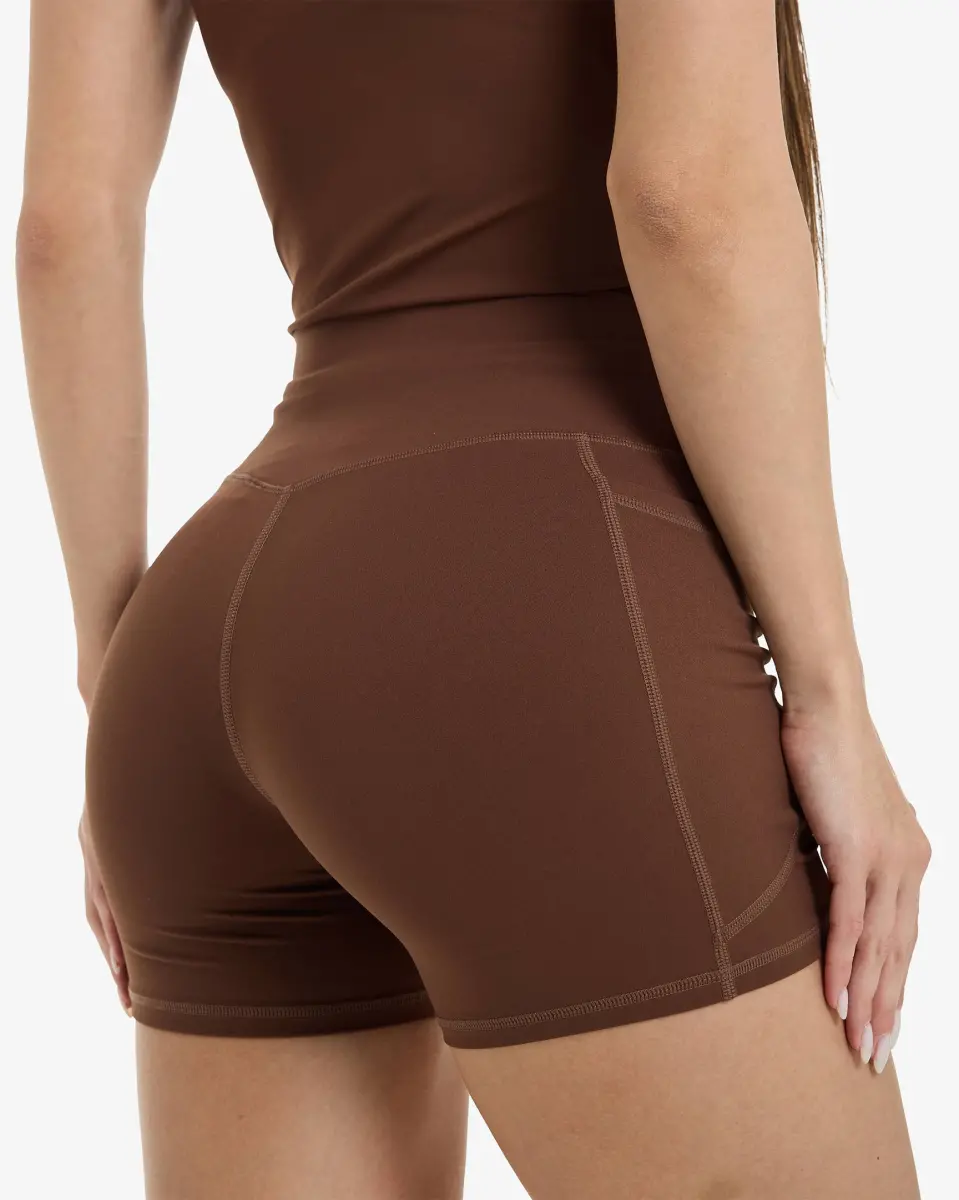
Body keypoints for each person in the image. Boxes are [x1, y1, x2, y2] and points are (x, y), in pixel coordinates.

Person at [16, 1, 931, 1196]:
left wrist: (112, 689)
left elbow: (65, 231)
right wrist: (827, 697)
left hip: (204, 648)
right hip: (542, 587)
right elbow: (686, 195)